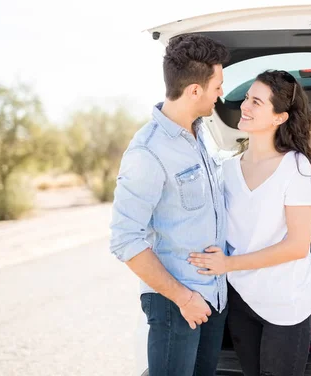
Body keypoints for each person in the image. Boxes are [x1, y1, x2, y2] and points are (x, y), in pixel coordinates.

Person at [187, 70, 311, 376]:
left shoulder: (296, 166)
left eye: (256, 101)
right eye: (246, 98)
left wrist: (228, 265)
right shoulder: (225, 168)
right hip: (240, 301)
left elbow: (297, 246)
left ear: (279, 117)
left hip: (285, 305)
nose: (244, 106)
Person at [109, 33, 230, 376]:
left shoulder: (200, 133)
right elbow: (125, 240)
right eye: (217, 85)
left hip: (211, 299)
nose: (222, 92)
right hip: (176, 305)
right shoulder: (148, 151)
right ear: (195, 91)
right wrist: (182, 297)